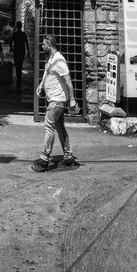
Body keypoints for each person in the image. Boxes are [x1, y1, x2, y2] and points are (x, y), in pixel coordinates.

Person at [31, 33, 79, 171]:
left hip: (57, 101)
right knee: (59, 127)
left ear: (49, 45)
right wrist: (41, 85)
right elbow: (47, 72)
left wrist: (72, 99)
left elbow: (68, 81)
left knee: (48, 125)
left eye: (44, 44)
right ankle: (68, 156)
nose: (42, 46)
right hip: (54, 99)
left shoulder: (60, 60)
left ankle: (44, 158)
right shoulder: (51, 58)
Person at [10, 20, 31, 90]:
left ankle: (18, 78)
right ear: (21, 27)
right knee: (20, 65)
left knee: (17, 65)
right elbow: (27, 44)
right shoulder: (23, 34)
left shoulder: (15, 34)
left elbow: (11, 42)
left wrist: (11, 48)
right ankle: (19, 78)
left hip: (16, 51)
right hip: (22, 52)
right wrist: (28, 52)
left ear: (16, 27)